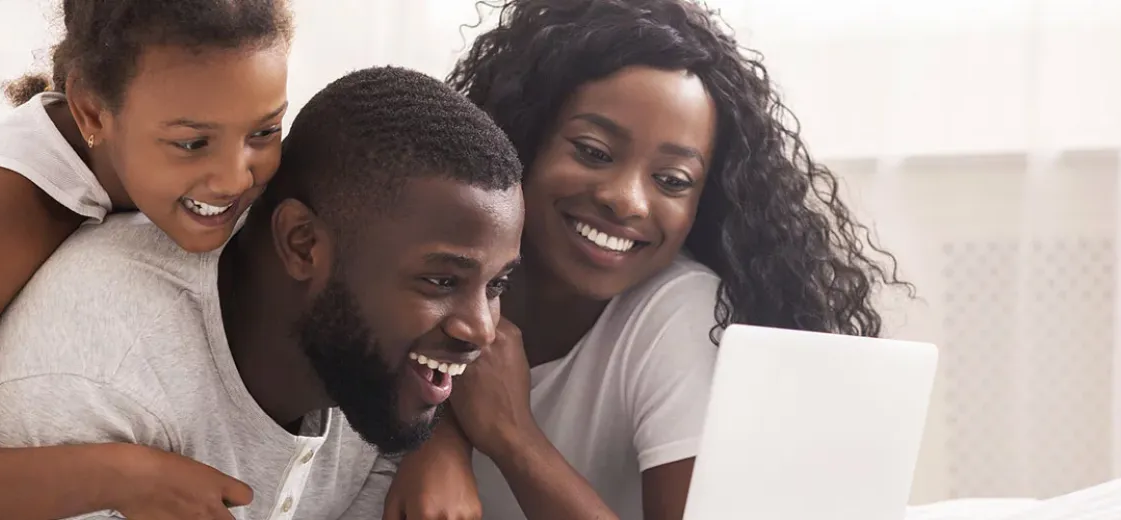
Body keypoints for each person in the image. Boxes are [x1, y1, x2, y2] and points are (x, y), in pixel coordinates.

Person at [0, 66, 526, 520]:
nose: (480, 328)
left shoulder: (376, 375)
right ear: (301, 245)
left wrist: (445, 445)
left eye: (495, 285)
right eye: (442, 281)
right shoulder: (94, 367)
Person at [380, 1, 912, 519]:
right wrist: (438, 437)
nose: (627, 200)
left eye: (672, 180)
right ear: (520, 138)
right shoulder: (430, 272)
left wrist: (513, 437)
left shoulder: (682, 312)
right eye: (593, 151)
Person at [0, 0, 293, 516]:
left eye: (264, 131)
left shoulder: (185, 130)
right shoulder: (8, 211)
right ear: (90, 111)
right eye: (193, 143)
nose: (236, 178)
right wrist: (127, 476)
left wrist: (414, 444)